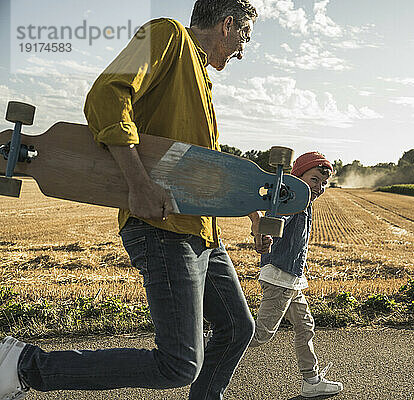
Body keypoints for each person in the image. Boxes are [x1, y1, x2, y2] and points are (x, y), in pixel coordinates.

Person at [0, 1, 263, 399]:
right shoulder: (167, 34)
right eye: (245, 36)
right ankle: (23, 366)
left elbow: (200, 170)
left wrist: (252, 206)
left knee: (236, 327)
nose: (243, 49)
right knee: (179, 364)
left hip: (201, 231)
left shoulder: (200, 78)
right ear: (228, 25)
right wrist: (137, 182)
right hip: (161, 227)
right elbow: (106, 95)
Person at [249, 152, 344, 398]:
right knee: (261, 335)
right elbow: (277, 218)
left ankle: (311, 381)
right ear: (297, 177)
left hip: (292, 279)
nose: (320, 187)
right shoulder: (293, 200)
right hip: (280, 278)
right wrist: (266, 236)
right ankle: (211, 342)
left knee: (305, 326)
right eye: (314, 180)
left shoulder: (305, 203)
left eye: (324, 183)